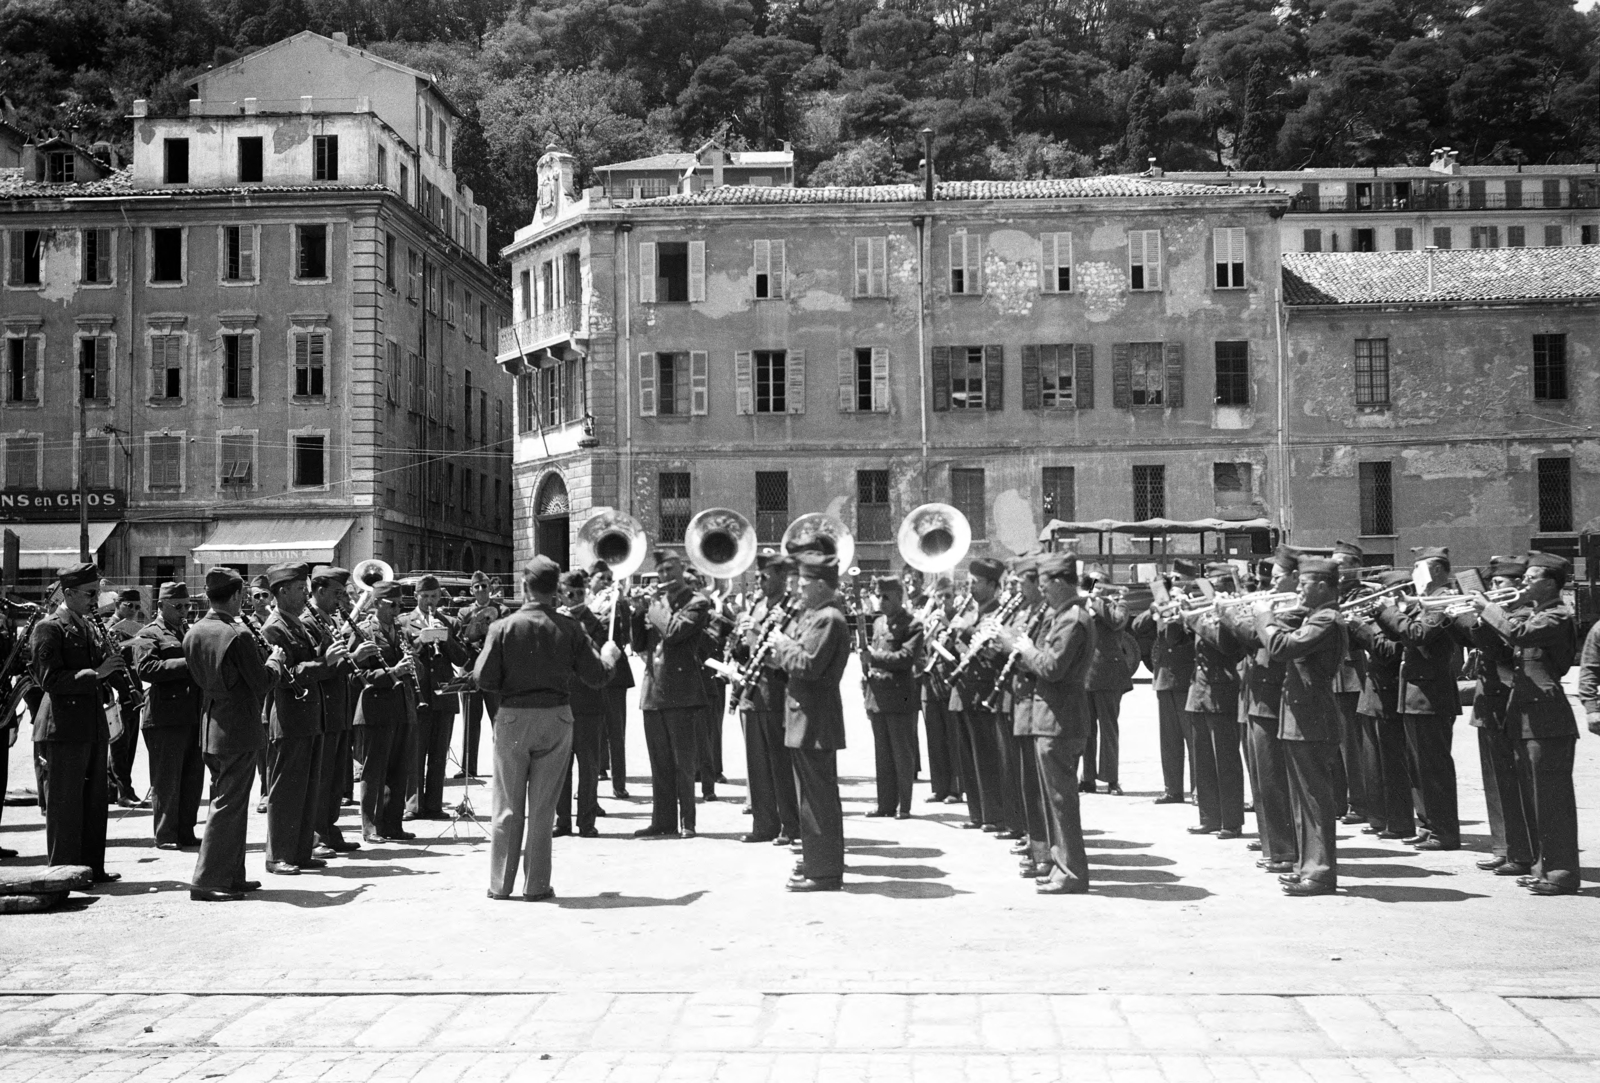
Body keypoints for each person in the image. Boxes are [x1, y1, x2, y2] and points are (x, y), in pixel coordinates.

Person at [475, 557, 620, 900]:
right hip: (556, 717)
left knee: (507, 805)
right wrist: (610, 655)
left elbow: (484, 678)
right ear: (556, 589)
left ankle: (501, 884)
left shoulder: (503, 627)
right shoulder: (570, 628)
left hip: (512, 717)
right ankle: (536, 884)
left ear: (525, 586)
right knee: (543, 808)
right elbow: (596, 676)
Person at [1475, 552, 1581, 896]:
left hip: (1547, 720)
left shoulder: (1557, 616)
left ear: (1549, 584)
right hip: (1526, 718)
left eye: (1531, 578)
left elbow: (1517, 633)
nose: (1523, 583)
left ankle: (1562, 873)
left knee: (1552, 801)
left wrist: (1487, 608)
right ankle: (1543, 867)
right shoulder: (1539, 614)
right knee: (1534, 800)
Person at [995, 553, 1095, 895]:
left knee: (1061, 800)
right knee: (1053, 802)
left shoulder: (1072, 619)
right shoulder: (1063, 615)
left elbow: (1053, 668)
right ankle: (1059, 866)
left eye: (1047, 584)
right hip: (1052, 717)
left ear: (1062, 582)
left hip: (1060, 719)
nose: (1043, 590)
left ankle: (1072, 872)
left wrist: (1023, 648)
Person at [185, 567, 284, 901]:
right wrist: (274, 662)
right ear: (238, 595)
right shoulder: (237, 634)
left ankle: (230, 874)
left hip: (212, 724)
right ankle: (208, 880)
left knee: (229, 802)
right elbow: (260, 683)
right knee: (227, 806)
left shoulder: (195, 630)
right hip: (238, 728)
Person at [1255, 557, 1346, 897]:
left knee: (1314, 798)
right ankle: (1307, 866)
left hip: (1313, 719)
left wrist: (1265, 616)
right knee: (1301, 800)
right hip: (1301, 718)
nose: (1299, 590)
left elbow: (1281, 647)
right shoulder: (1316, 617)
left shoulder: (1327, 619)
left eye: (1304, 584)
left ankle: (1320, 872)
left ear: (1322, 586)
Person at [29, 562, 125, 884]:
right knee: (65, 803)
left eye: (96, 593)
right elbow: (49, 679)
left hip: (91, 724)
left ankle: (91, 868)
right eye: (89, 594)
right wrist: (96, 673)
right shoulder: (49, 627)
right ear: (68, 594)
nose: (95, 600)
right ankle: (63, 872)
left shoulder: (87, 625)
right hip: (63, 727)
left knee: (95, 802)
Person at [768, 551, 851, 891]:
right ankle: (818, 860)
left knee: (818, 799)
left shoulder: (828, 618)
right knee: (810, 798)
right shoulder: (816, 615)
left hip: (815, 720)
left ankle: (825, 871)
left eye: (803, 583)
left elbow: (809, 664)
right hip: (806, 718)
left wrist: (783, 645)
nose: (799, 589)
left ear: (819, 585)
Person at [1450, 557, 1535, 876]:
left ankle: (1522, 850)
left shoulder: (1520, 614)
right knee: (1495, 782)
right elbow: (1471, 639)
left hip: (1506, 701)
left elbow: (1500, 646)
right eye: (1493, 583)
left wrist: (1481, 612)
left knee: (1513, 781)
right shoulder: (1495, 613)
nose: (1494, 588)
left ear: (1516, 584)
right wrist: (1454, 618)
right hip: (1488, 702)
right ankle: (1504, 847)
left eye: (1500, 583)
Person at [1374, 547, 1463, 851]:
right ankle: (1429, 824)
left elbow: (1417, 634)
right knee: (1418, 768)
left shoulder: (1442, 600)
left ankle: (1445, 832)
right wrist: (1386, 612)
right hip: (1414, 694)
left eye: (1418, 567)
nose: (1413, 573)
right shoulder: (1425, 601)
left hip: (1431, 696)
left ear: (1436, 570)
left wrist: (1388, 610)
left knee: (1434, 768)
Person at [258, 563, 343, 876]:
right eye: (298, 588)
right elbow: (283, 675)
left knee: (307, 788)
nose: (306, 592)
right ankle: (278, 853)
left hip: (310, 716)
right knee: (285, 790)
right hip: (290, 718)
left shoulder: (298, 624)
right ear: (282, 592)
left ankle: (300, 850)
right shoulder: (273, 628)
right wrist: (324, 661)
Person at [1221, 546, 1299, 871]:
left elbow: (1259, 636)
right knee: (1263, 779)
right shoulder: (1274, 605)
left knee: (1276, 779)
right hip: (1257, 696)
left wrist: (1233, 615)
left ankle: (1285, 851)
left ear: (1294, 577)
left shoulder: (1296, 608)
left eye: (1278, 578)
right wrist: (1226, 618)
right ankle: (1273, 845)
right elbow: (1235, 647)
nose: (1271, 584)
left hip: (1276, 698)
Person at [629, 549, 713, 838]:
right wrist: (637, 612)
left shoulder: (697, 602)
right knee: (659, 761)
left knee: (683, 761)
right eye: (661, 571)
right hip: (653, 690)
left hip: (682, 691)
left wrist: (652, 605)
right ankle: (663, 820)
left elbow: (676, 631)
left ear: (682, 570)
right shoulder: (658, 602)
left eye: (670, 570)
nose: (665, 576)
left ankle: (687, 821)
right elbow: (639, 642)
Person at [732, 550, 800, 845]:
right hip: (752, 696)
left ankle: (790, 825)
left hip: (776, 694)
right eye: (758, 575)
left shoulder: (791, 610)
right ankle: (764, 823)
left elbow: (790, 651)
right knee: (756, 765)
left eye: (765, 575)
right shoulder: (757, 606)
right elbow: (744, 652)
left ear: (783, 578)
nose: (759, 580)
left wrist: (758, 631)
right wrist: (737, 640)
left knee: (779, 764)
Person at [131, 582, 203, 851]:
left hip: (192, 713)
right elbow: (146, 668)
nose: (184, 611)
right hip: (164, 716)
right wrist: (189, 663)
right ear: (160, 606)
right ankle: (165, 834)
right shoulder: (149, 633)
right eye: (178, 606)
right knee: (167, 778)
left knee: (192, 777)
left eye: (187, 606)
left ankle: (186, 830)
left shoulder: (187, 631)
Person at [308, 566, 374, 857]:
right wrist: (353, 657)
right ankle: (316, 835)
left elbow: (338, 663)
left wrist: (354, 657)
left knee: (335, 776)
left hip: (337, 705)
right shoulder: (308, 621)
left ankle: (329, 829)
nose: (341, 599)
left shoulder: (329, 619)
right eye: (337, 593)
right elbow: (318, 665)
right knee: (321, 776)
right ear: (320, 591)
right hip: (321, 708)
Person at [1346, 571, 1414, 841]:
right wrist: (1352, 626)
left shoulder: (1402, 618)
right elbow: (1356, 644)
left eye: (1387, 593)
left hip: (1389, 694)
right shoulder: (1383, 616)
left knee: (1392, 763)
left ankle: (1399, 822)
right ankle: (1379, 817)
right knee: (1373, 763)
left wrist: (1364, 627)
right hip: (1371, 693)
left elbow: (1389, 652)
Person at [1182, 568, 1247, 841]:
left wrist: (1195, 619)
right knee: (1203, 759)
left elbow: (1224, 644)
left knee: (1226, 760)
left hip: (1221, 692)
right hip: (1198, 692)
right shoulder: (1210, 612)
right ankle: (1209, 816)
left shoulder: (1235, 613)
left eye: (1216, 587)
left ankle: (1231, 821)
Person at [947, 556, 1010, 832]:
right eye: (970, 582)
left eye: (977, 583)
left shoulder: (998, 613)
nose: (970, 587)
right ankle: (976, 813)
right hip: (963, 692)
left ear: (994, 585)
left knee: (987, 757)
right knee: (968, 758)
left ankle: (994, 815)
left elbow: (993, 649)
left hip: (985, 691)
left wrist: (967, 629)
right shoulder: (971, 612)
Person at [352, 582, 417, 843]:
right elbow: (357, 674)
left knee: (399, 768)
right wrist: (393, 672)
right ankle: (371, 827)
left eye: (400, 605)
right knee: (374, 770)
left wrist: (414, 662)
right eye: (393, 605)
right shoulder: (365, 631)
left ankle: (392, 824)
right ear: (377, 603)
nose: (398, 610)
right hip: (375, 708)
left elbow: (411, 668)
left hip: (401, 705)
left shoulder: (400, 630)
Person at [401, 575, 470, 820]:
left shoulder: (450, 622)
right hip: (418, 692)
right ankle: (413, 805)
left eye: (433, 596)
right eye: (425, 596)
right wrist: (422, 639)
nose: (429, 601)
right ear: (416, 596)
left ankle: (434, 805)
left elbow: (462, 659)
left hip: (443, 695)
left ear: (439, 597)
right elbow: (404, 653)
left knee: (439, 753)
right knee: (416, 753)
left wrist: (446, 639)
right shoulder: (404, 622)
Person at [1133, 560, 1199, 805]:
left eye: (1178, 579)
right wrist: (1155, 608)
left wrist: (1180, 608)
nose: (1173, 584)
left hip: (1185, 679)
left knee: (1192, 739)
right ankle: (1172, 789)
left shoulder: (1192, 604)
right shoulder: (1163, 603)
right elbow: (1137, 626)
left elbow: (1180, 637)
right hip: (1164, 679)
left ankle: (1198, 790)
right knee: (1169, 740)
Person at [862, 575, 923, 819]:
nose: (881, 601)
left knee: (901, 753)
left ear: (900, 596)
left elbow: (907, 658)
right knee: (883, 754)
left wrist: (873, 657)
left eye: (886, 596)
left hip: (900, 697)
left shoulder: (913, 625)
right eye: (879, 595)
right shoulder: (878, 624)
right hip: (877, 696)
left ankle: (904, 805)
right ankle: (885, 804)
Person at [555, 570, 607, 838]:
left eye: (578, 593)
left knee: (588, 767)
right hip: (562, 703)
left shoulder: (596, 623)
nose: (573, 598)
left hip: (588, 704)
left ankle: (586, 821)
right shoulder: (556, 621)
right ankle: (562, 821)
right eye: (568, 593)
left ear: (585, 594)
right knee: (561, 767)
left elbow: (596, 660)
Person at [1328, 541, 1369, 825]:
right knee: (1332, 744)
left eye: (1341, 565)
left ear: (1355, 567)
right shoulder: (1330, 595)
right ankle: (1337, 800)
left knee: (1352, 745)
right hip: (1331, 676)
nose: (1336, 570)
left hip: (1352, 673)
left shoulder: (1364, 594)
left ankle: (1360, 802)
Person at [586, 562, 635, 798]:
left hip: (615, 673)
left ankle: (619, 783)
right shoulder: (582, 603)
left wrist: (621, 602)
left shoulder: (617, 603)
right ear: (590, 580)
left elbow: (625, 634)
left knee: (616, 730)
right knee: (589, 732)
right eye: (601, 578)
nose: (606, 582)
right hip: (587, 672)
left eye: (609, 578)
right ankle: (590, 781)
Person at [1080, 573, 1131, 795]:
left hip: (1109, 675)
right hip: (1086, 675)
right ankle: (1088, 778)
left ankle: (1111, 779)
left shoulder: (1119, 603)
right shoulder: (1084, 604)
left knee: (1109, 729)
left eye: (1097, 584)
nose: (1094, 588)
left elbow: (1116, 621)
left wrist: (1097, 600)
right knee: (1087, 730)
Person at [456, 570, 509, 780]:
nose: (480, 590)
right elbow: (460, 636)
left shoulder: (502, 610)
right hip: (470, 669)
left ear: (490, 588)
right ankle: (468, 767)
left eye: (484, 586)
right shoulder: (464, 612)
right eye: (476, 587)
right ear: (471, 590)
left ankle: (504, 764)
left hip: (494, 672)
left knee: (499, 718)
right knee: (470, 720)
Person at [919, 577, 964, 806]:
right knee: (934, 740)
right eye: (940, 596)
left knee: (953, 740)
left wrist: (948, 624)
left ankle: (956, 789)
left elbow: (963, 651)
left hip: (951, 684)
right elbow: (920, 649)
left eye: (948, 595)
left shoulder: (960, 619)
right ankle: (938, 787)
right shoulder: (928, 619)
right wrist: (926, 629)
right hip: (930, 685)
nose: (944, 600)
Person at [106, 588, 146, 808]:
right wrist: (124, 690)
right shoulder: (109, 629)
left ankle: (113, 789)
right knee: (121, 744)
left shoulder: (134, 629)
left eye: (137, 606)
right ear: (118, 604)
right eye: (128, 605)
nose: (133, 610)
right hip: (120, 692)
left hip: (134, 690)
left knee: (129, 744)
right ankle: (124, 791)